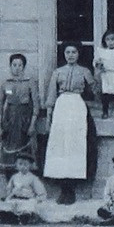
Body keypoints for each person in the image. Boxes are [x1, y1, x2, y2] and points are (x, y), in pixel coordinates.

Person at [41, 41, 97, 205]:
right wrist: (49, 116)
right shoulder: (58, 72)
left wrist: (98, 72)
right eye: (67, 52)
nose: (71, 55)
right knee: (60, 146)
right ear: (64, 54)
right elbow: (51, 95)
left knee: (75, 145)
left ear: (78, 54)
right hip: (61, 107)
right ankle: (63, 188)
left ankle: (72, 188)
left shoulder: (84, 71)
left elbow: (95, 89)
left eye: (74, 52)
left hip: (78, 107)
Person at [0, 52, 38, 174]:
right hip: (9, 118)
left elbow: (36, 104)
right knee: (9, 146)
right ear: (10, 66)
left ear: (24, 67)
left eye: (20, 65)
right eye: (14, 65)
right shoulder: (6, 83)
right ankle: (10, 177)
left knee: (24, 148)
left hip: (24, 118)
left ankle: (24, 179)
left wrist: (32, 124)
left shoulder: (30, 82)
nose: (17, 68)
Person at [0, 151, 48, 225]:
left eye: (25, 164)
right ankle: (9, 217)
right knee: (8, 206)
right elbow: (9, 188)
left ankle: (24, 218)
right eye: (20, 164)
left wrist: (38, 199)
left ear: (30, 166)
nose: (23, 167)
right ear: (16, 165)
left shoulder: (33, 178)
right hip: (15, 198)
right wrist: (8, 196)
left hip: (27, 199)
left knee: (27, 208)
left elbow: (41, 192)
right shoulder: (14, 177)